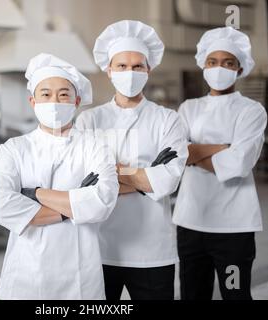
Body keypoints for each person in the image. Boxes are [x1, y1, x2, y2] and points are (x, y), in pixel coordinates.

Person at [0, 53, 119, 300]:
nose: (54, 102)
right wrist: (73, 207)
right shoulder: (14, 149)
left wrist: (36, 194)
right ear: (33, 101)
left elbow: (102, 203)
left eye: (64, 94)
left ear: (77, 101)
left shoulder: (94, 147)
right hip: (26, 274)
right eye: (45, 94)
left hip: (79, 276)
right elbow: (2, 206)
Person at [75, 20, 188, 300]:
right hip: (98, 247)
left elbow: (168, 181)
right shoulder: (89, 120)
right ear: (109, 70)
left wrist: (109, 178)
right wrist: (145, 176)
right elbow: (81, 184)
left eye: (138, 66)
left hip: (152, 250)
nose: (130, 72)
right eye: (122, 66)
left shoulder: (168, 120)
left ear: (149, 70)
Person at [173, 27, 268, 300]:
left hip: (234, 226)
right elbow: (178, 154)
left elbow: (238, 164)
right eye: (213, 62)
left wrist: (194, 152)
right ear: (203, 65)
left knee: (235, 294)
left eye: (228, 63)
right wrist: (224, 148)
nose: (219, 68)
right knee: (193, 294)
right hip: (191, 220)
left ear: (239, 69)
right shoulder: (188, 108)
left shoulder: (251, 110)